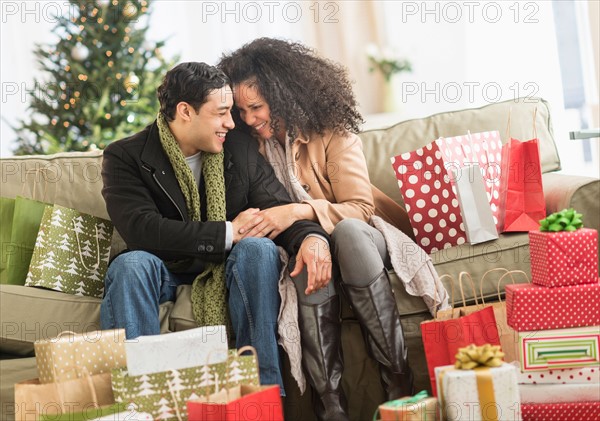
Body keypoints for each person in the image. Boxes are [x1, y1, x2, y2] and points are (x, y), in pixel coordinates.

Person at [219, 38, 445, 420]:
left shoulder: (331, 130)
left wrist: (296, 211)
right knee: (305, 257)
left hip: (359, 237)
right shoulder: (245, 148)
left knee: (349, 234)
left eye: (256, 107)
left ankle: (398, 384)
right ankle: (331, 407)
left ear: (285, 93)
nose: (250, 119)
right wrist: (307, 236)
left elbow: (359, 209)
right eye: (241, 111)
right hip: (300, 247)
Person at [100, 62, 333, 395]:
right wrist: (228, 233)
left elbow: (274, 209)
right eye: (222, 112)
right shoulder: (126, 156)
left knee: (259, 248)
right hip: (164, 270)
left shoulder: (238, 147)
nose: (231, 122)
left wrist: (312, 238)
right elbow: (142, 230)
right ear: (185, 111)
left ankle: (262, 398)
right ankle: (141, 401)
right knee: (132, 264)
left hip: (227, 270)